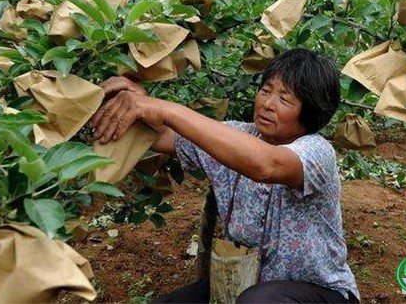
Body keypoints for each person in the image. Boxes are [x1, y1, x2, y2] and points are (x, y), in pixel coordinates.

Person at [89, 48, 360, 303]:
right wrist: (130, 102)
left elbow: (267, 165)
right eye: (265, 90)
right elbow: (163, 135)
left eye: (284, 98)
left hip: (321, 294)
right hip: (242, 281)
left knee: (260, 301)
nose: (267, 103)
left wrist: (165, 108)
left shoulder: (317, 151)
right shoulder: (237, 136)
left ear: (311, 111)